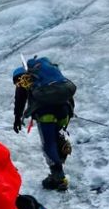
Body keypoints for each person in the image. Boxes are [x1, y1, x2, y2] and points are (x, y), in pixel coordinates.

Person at [12, 56, 77, 192]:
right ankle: (60, 161)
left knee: (49, 144)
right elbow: (67, 93)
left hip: (45, 113)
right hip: (63, 111)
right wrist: (70, 111)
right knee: (57, 138)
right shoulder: (49, 75)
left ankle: (58, 177)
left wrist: (18, 118)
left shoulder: (25, 80)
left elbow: (20, 100)